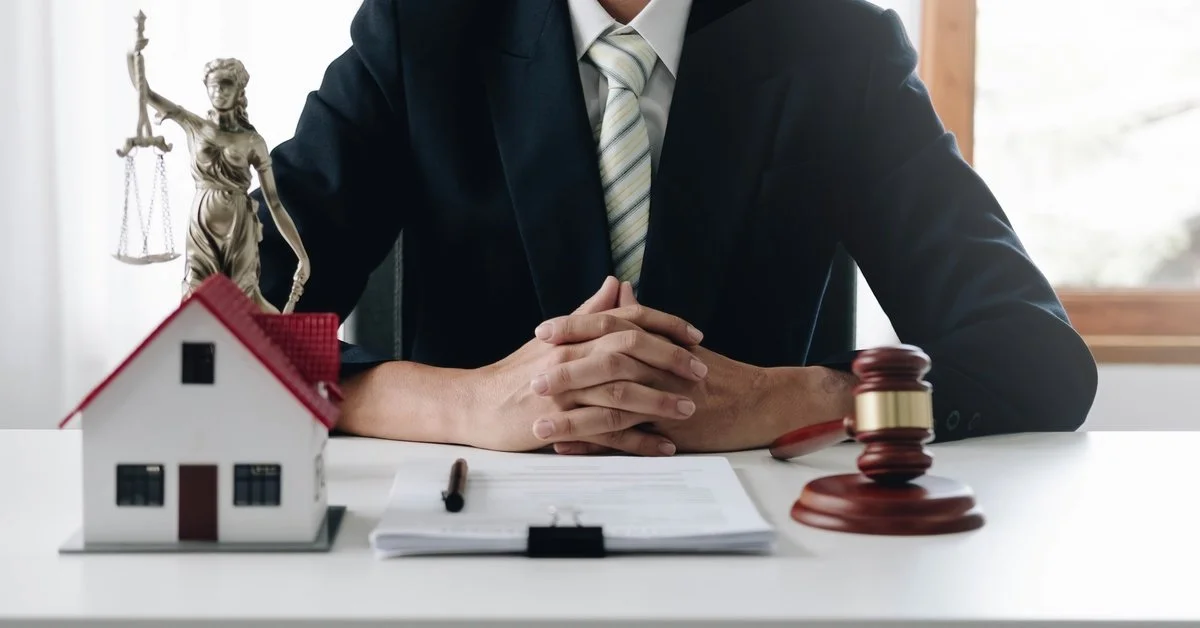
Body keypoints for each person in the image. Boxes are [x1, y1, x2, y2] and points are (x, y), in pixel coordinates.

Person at [253, 0, 1098, 456]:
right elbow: (230, 334)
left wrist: (797, 400)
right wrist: (459, 401)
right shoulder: (419, 27)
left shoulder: (837, 42)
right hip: (465, 545)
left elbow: (1036, 360)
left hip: (769, 561)